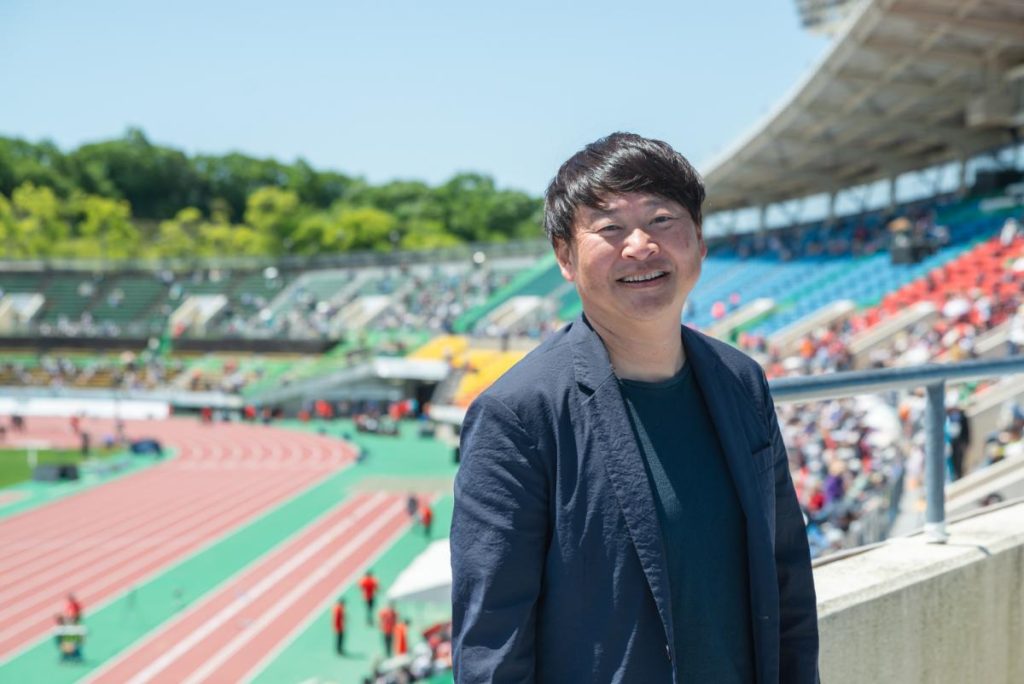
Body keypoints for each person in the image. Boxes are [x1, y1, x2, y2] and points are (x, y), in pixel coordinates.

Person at [451, 133, 819, 682]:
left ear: (699, 241)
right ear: (565, 258)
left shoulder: (741, 381)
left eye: (663, 219)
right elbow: (491, 645)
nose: (640, 245)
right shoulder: (518, 415)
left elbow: (786, 574)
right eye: (609, 229)